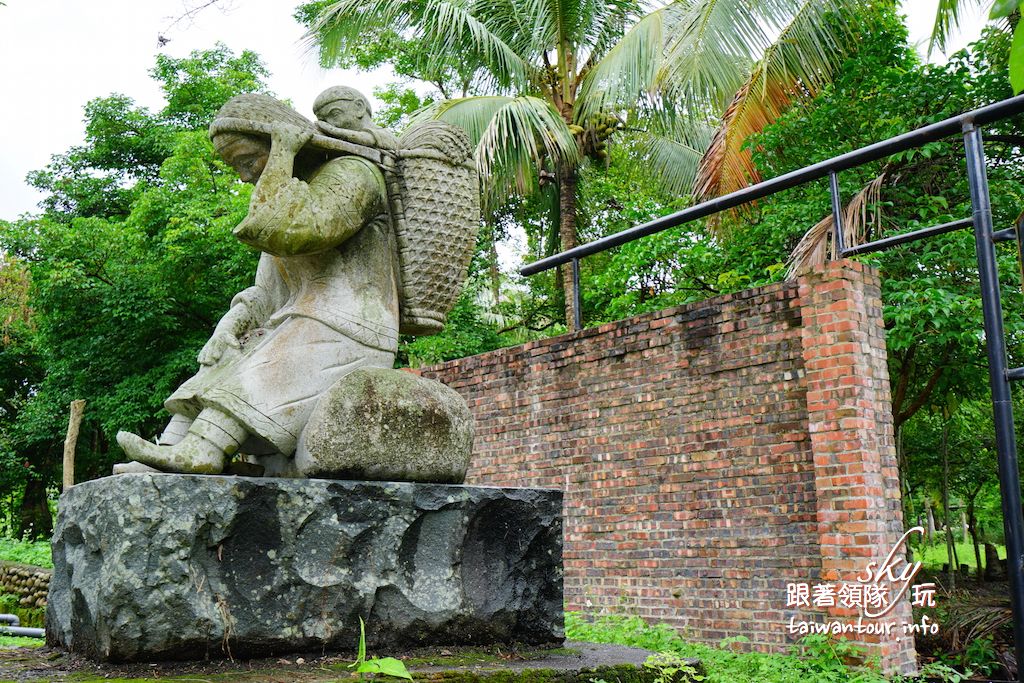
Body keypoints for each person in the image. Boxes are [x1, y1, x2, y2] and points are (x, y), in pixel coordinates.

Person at [116, 92, 399, 475]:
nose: (247, 176)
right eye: (238, 168)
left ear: (282, 141)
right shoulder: (291, 190)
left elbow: (296, 231)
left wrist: (281, 155)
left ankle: (203, 450)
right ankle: (174, 449)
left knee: (269, 362)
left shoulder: (355, 175)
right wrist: (231, 323)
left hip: (350, 326)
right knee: (224, 360)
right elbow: (267, 290)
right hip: (298, 320)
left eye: (249, 161)